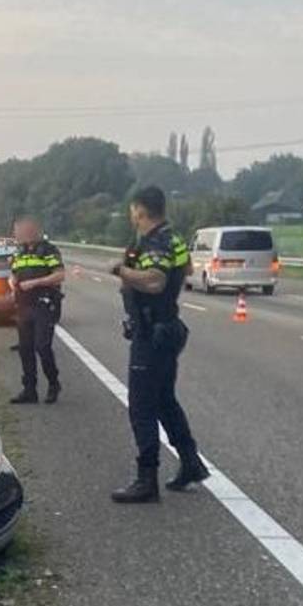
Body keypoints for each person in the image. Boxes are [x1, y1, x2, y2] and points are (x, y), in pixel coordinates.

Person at [109, 185, 209, 503]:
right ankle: (191, 463)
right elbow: (188, 269)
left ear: (140, 210)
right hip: (165, 329)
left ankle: (145, 479)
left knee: (141, 406)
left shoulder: (156, 242)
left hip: (152, 334)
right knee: (165, 401)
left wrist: (121, 270)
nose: (131, 215)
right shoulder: (175, 239)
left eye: (132, 210)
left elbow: (156, 280)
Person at [7, 217, 64, 404]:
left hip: (43, 304)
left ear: (31, 230)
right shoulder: (19, 252)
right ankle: (29, 389)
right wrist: (12, 281)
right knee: (25, 349)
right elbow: (14, 273)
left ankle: (53, 383)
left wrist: (36, 283)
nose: (16, 234)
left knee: (42, 346)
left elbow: (59, 275)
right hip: (23, 304)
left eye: (19, 230)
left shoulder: (48, 250)